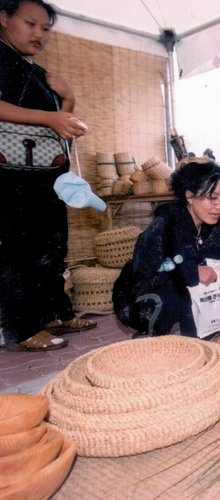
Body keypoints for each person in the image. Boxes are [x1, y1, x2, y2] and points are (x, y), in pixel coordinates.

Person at [0, 0, 97, 352]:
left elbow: (60, 126)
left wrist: (67, 99)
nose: (39, 34)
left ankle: (54, 313)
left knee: (52, 246)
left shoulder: (36, 71)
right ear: (4, 19)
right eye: (31, 24)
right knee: (17, 251)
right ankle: (23, 330)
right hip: (11, 178)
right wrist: (47, 117)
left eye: (46, 29)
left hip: (45, 175)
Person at [113, 161, 220, 339]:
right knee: (174, 297)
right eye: (213, 198)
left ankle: (200, 337)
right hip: (144, 296)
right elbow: (148, 272)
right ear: (189, 196)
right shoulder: (164, 224)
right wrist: (191, 271)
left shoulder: (215, 224)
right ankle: (151, 336)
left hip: (186, 287)